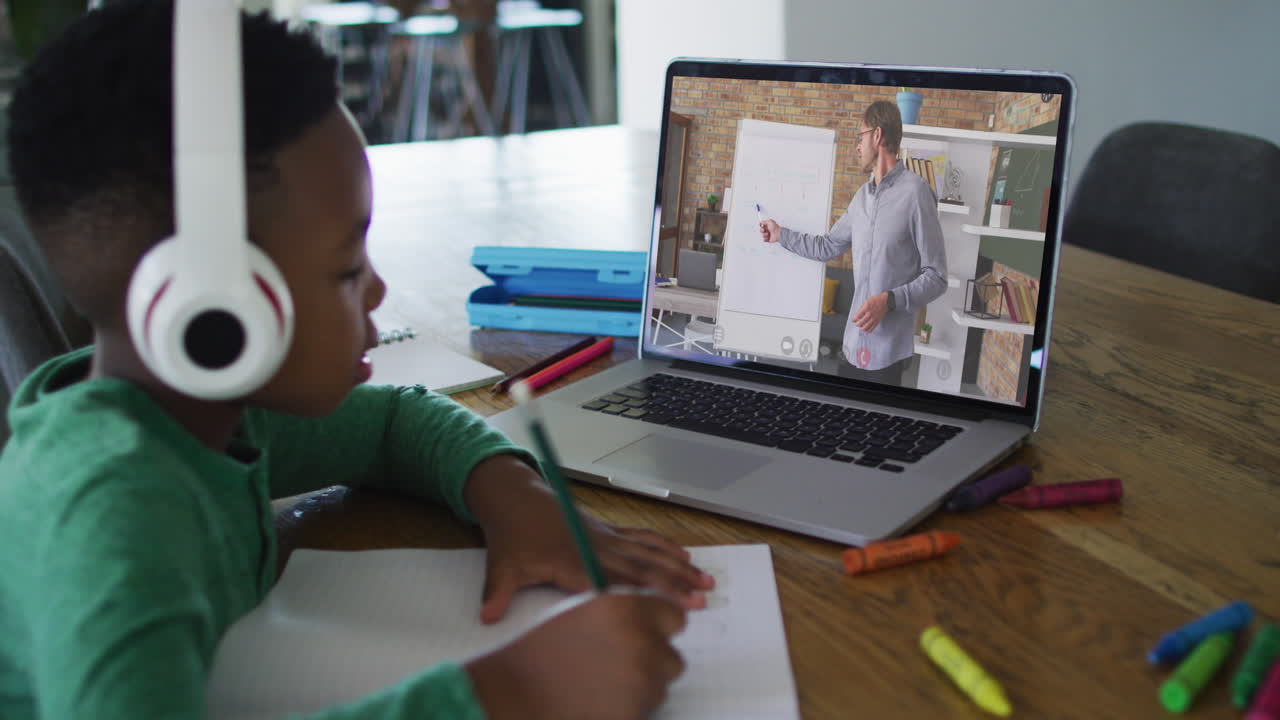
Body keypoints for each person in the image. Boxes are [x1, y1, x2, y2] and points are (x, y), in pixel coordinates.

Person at [0, 3, 711, 719]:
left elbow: (392, 422)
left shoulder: (204, 418)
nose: (376, 288)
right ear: (215, 312)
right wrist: (510, 693)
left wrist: (517, 501)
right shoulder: (113, 520)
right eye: (345, 269)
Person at [759, 100, 947, 386]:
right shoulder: (861, 198)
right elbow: (827, 246)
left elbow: (937, 276)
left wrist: (890, 300)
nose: (857, 146)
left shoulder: (917, 194)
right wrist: (780, 234)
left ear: (878, 135)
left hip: (887, 357)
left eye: (860, 136)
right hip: (850, 348)